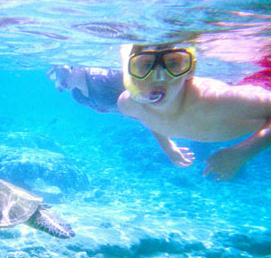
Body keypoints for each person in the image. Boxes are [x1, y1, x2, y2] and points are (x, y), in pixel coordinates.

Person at [49, 43, 271, 181]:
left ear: (190, 70)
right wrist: (168, 146)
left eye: (174, 64)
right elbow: (147, 117)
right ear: (129, 75)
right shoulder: (129, 104)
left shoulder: (214, 99)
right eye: (144, 66)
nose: (159, 76)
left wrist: (243, 153)